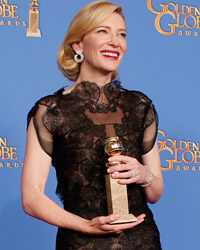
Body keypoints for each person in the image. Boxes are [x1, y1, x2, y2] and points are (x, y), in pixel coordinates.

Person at [21, 1, 164, 249]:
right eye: (102, 31)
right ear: (78, 44)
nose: (115, 42)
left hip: (142, 241)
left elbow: (155, 193)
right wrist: (86, 225)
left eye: (121, 34)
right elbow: (31, 198)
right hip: (81, 242)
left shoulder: (140, 106)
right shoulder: (51, 111)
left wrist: (144, 174)